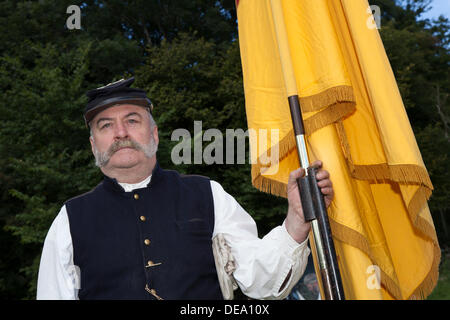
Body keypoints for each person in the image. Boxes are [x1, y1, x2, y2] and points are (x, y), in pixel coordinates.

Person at [36, 77, 334, 300]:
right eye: (105, 125)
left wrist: (296, 218)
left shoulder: (207, 195)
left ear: (153, 133)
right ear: (93, 144)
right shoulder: (70, 219)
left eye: (131, 120)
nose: (121, 133)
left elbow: (260, 280)